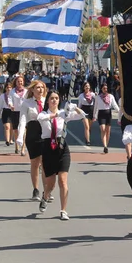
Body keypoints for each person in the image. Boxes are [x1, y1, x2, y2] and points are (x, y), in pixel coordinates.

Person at [37, 91, 86, 219]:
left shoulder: (64, 114)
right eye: (52, 98)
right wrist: (57, 114)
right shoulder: (44, 113)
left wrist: (74, 107)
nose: (54, 100)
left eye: (57, 98)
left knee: (63, 181)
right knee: (51, 184)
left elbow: (83, 115)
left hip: (62, 146)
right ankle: (45, 196)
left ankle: (63, 210)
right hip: (48, 148)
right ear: (47, 101)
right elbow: (41, 119)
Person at [17, 80, 47, 201]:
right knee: (35, 163)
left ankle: (47, 190)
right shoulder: (27, 103)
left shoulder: (48, 101)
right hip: (33, 133)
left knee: (45, 163)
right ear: (32, 90)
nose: (40, 90)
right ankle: (36, 189)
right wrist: (20, 135)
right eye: (38, 88)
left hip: (46, 132)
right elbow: (23, 120)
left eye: (42, 88)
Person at [93, 84, 120, 154]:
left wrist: (120, 112)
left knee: (108, 131)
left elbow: (115, 105)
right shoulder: (98, 97)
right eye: (104, 88)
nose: (105, 89)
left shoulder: (111, 96)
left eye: (106, 88)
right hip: (101, 114)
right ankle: (104, 146)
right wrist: (94, 116)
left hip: (108, 114)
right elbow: (95, 107)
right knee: (103, 129)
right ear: (101, 89)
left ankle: (106, 146)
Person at [9, 75, 27, 155]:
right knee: (16, 130)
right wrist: (11, 105)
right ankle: (17, 145)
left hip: (24, 112)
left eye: (21, 81)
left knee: (23, 130)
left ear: (23, 82)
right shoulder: (12, 91)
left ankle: (23, 148)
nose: (20, 83)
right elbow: (9, 99)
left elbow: (29, 100)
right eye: (18, 81)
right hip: (15, 111)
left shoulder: (26, 91)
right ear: (15, 82)